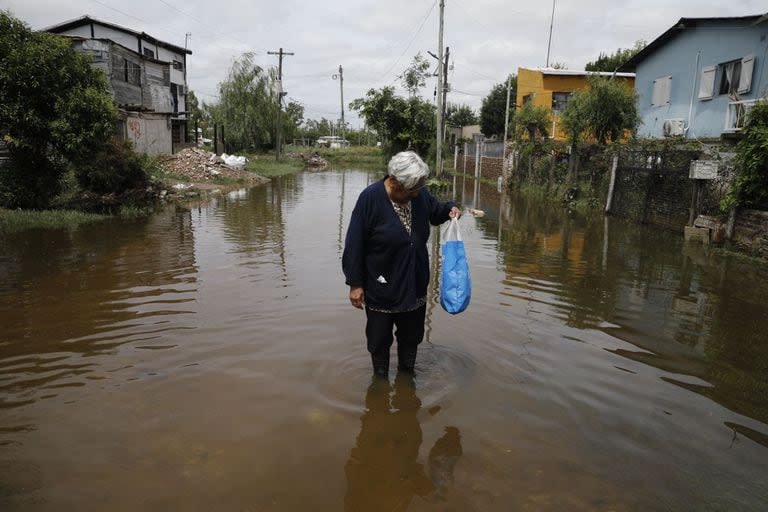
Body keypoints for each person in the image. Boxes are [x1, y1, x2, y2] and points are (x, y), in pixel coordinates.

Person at [342, 151, 460, 377]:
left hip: (414, 282)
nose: (416, 194)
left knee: (411, 337)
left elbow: (435, 212)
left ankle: (407, 378)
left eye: (418, 189)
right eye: (411, 189)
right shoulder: (370, 198)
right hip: (381, 284)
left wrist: (449, 209)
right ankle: (380, 381)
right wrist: (355, 284)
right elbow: (354, 243)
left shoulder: (419, 194)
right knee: (379, 340)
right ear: (394, 181)